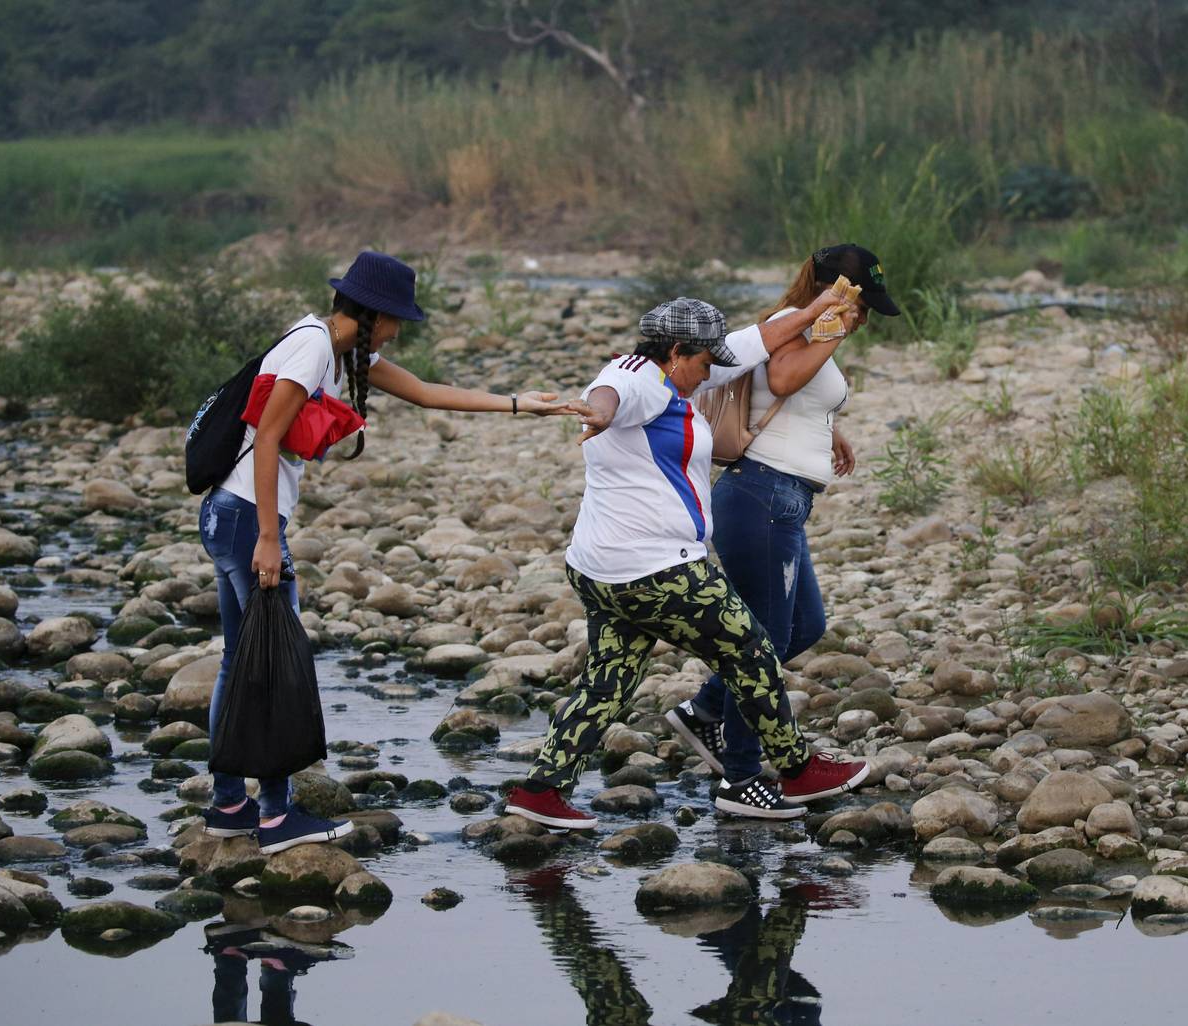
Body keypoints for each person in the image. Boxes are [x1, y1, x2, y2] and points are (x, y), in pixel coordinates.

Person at [200, 250, 573, 853]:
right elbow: (267, 438)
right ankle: (274, 818)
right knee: (273, 665)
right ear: (373, 314)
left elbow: (424, 393)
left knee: (240, 660)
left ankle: (228, 804)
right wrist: (270, 539)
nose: (399, 331)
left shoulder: (332, 343)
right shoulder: (314, 349)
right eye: (396, 318)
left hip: (228, 516)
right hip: (247, 521)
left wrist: (516, 403)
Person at [504, 294, 866, 831]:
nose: (710, 374)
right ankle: (787, 772)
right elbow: (609, 394)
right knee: (753, 652)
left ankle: (540, 791)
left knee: (609, 684)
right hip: (655, 571)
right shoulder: (637, 381)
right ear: (676, 352)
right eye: (704, 363)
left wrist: (817, 310)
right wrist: (596, 413)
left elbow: (754, 343)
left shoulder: (675, 376)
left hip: (601, 569)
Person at [666, 244, 900, 819]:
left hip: (782, 497)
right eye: (861, 302)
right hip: (761, 495)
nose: (864, 315)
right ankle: (741, 778)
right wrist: (836, 324)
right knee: (761, 641)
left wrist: (831, 430)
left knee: (806, 625)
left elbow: (796, 397)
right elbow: (785, 375)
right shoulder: (789, 324)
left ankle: (705, 710)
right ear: (837, 290)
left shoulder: (811, 328)